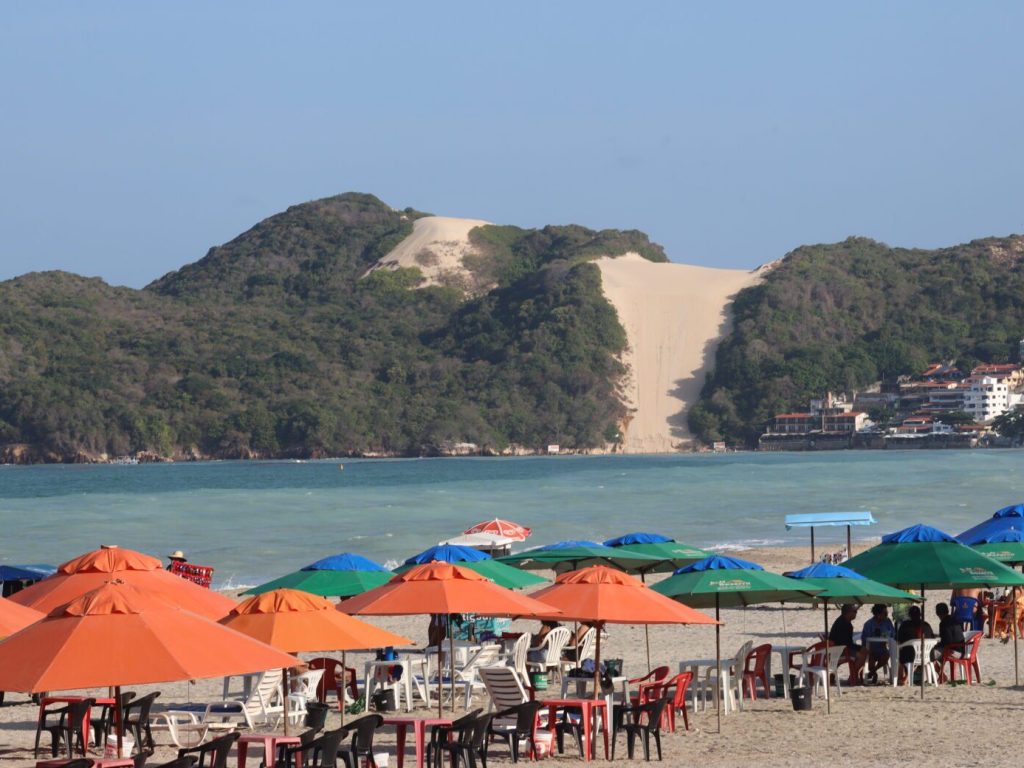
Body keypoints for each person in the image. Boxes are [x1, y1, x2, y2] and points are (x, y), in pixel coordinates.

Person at [828, 603, 868, 684]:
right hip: (839, 651)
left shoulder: (843, 621)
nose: (856, 613)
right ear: (847, 612)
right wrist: (860, 648)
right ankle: (853, 676)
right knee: (863, 655)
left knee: (863, 651)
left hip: (836, 649)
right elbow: (846, 643)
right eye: (854, 611)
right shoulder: (843, 624)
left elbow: (846, 642)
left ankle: (852, 675)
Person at [896, 605, 934, 685]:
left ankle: (901, 679)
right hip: (927, 655)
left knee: (900, 656)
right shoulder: (926, 625)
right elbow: (932, 638)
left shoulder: (905, 625)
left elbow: (899, 640)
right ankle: (930, 677)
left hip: (910, 656)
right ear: (920, 615)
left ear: (909, 615)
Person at [861, 604, 895, 683]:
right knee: (870, 661)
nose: (887, 615)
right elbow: (864, 639)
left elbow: (893, 634)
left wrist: (887, 637)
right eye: (885, 613)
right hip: (871, 649)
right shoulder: (868, 624)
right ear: (878, 614)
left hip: (882, 649)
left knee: (886, 656)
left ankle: (873, 672)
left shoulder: (888, 622)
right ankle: (873, 673)